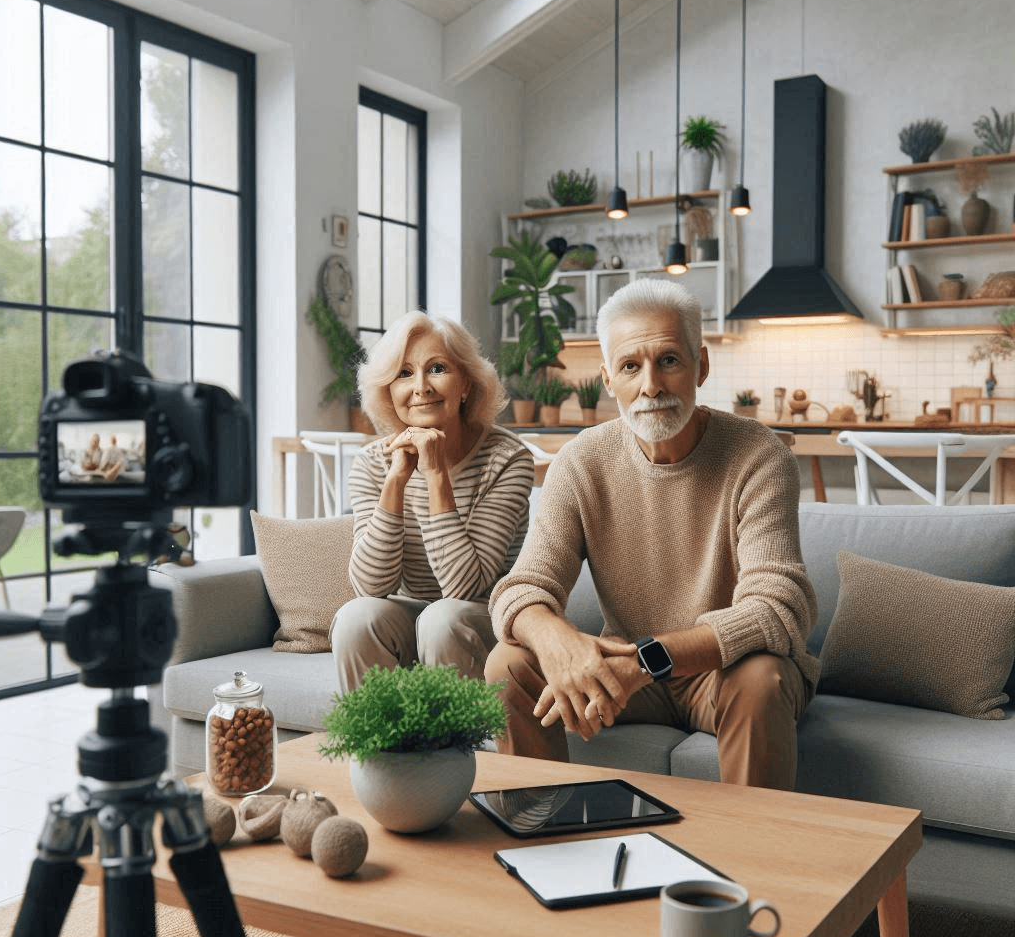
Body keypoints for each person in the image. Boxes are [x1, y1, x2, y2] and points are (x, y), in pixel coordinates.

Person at [485, 278, 818, 791]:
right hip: (628, 673)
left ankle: (758, 861)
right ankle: (540, 830)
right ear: (607, 379)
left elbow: (777, 609)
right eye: (631, 366)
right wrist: (558, 644)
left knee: (762, 679)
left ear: (700, 366)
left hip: (722, 672)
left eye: (668, 361)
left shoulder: (759, 455)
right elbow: (521, 588)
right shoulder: (580, 462)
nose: (651, 387)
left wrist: (646, 661)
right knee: (509, 663)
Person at [332, 311, 535, 691]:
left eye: (437, 368)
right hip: (412, 619)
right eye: (404, 374)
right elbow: (370, 587)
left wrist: (435, 475)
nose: (420, 387)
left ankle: (456, 748)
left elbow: (464, 587)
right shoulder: (371, 463)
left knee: (443, 619)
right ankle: (377, 749)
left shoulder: (506, 459)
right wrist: (396, 480)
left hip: (479, 619)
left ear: (466, 385)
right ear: (388, 391)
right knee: (357, 616)